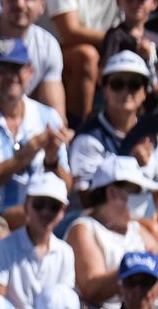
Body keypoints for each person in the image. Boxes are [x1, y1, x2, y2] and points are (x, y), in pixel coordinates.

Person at [0, 39, 69, 221]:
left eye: (16, 68)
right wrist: (21, 158)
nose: (11, 76)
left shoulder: (48, 117)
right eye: (2, 70)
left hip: (43, 216)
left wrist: (51, 161)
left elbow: (67, 186)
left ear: (30, 72)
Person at [66, 53, 158, 207]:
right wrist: (130, 163)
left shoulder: (153, 132)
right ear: (105, 90)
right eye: (117, 84)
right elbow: (87, 201)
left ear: (144, 92)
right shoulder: (88, 139)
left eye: (134, 84)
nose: (125, 92)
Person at [69, 156, 158, 309]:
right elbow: (92, 288)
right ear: (112, 193)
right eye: (136, 191)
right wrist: (135, 267)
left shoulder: (134, 227)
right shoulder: (84, 229)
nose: (143, 197)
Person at [0, 175, 76, 309]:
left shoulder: (66, 252)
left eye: (54, 206)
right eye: (39, 205)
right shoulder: (5, 247)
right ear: (26, 207)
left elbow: (63, 300)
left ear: (62, 212)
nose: (46, 212)